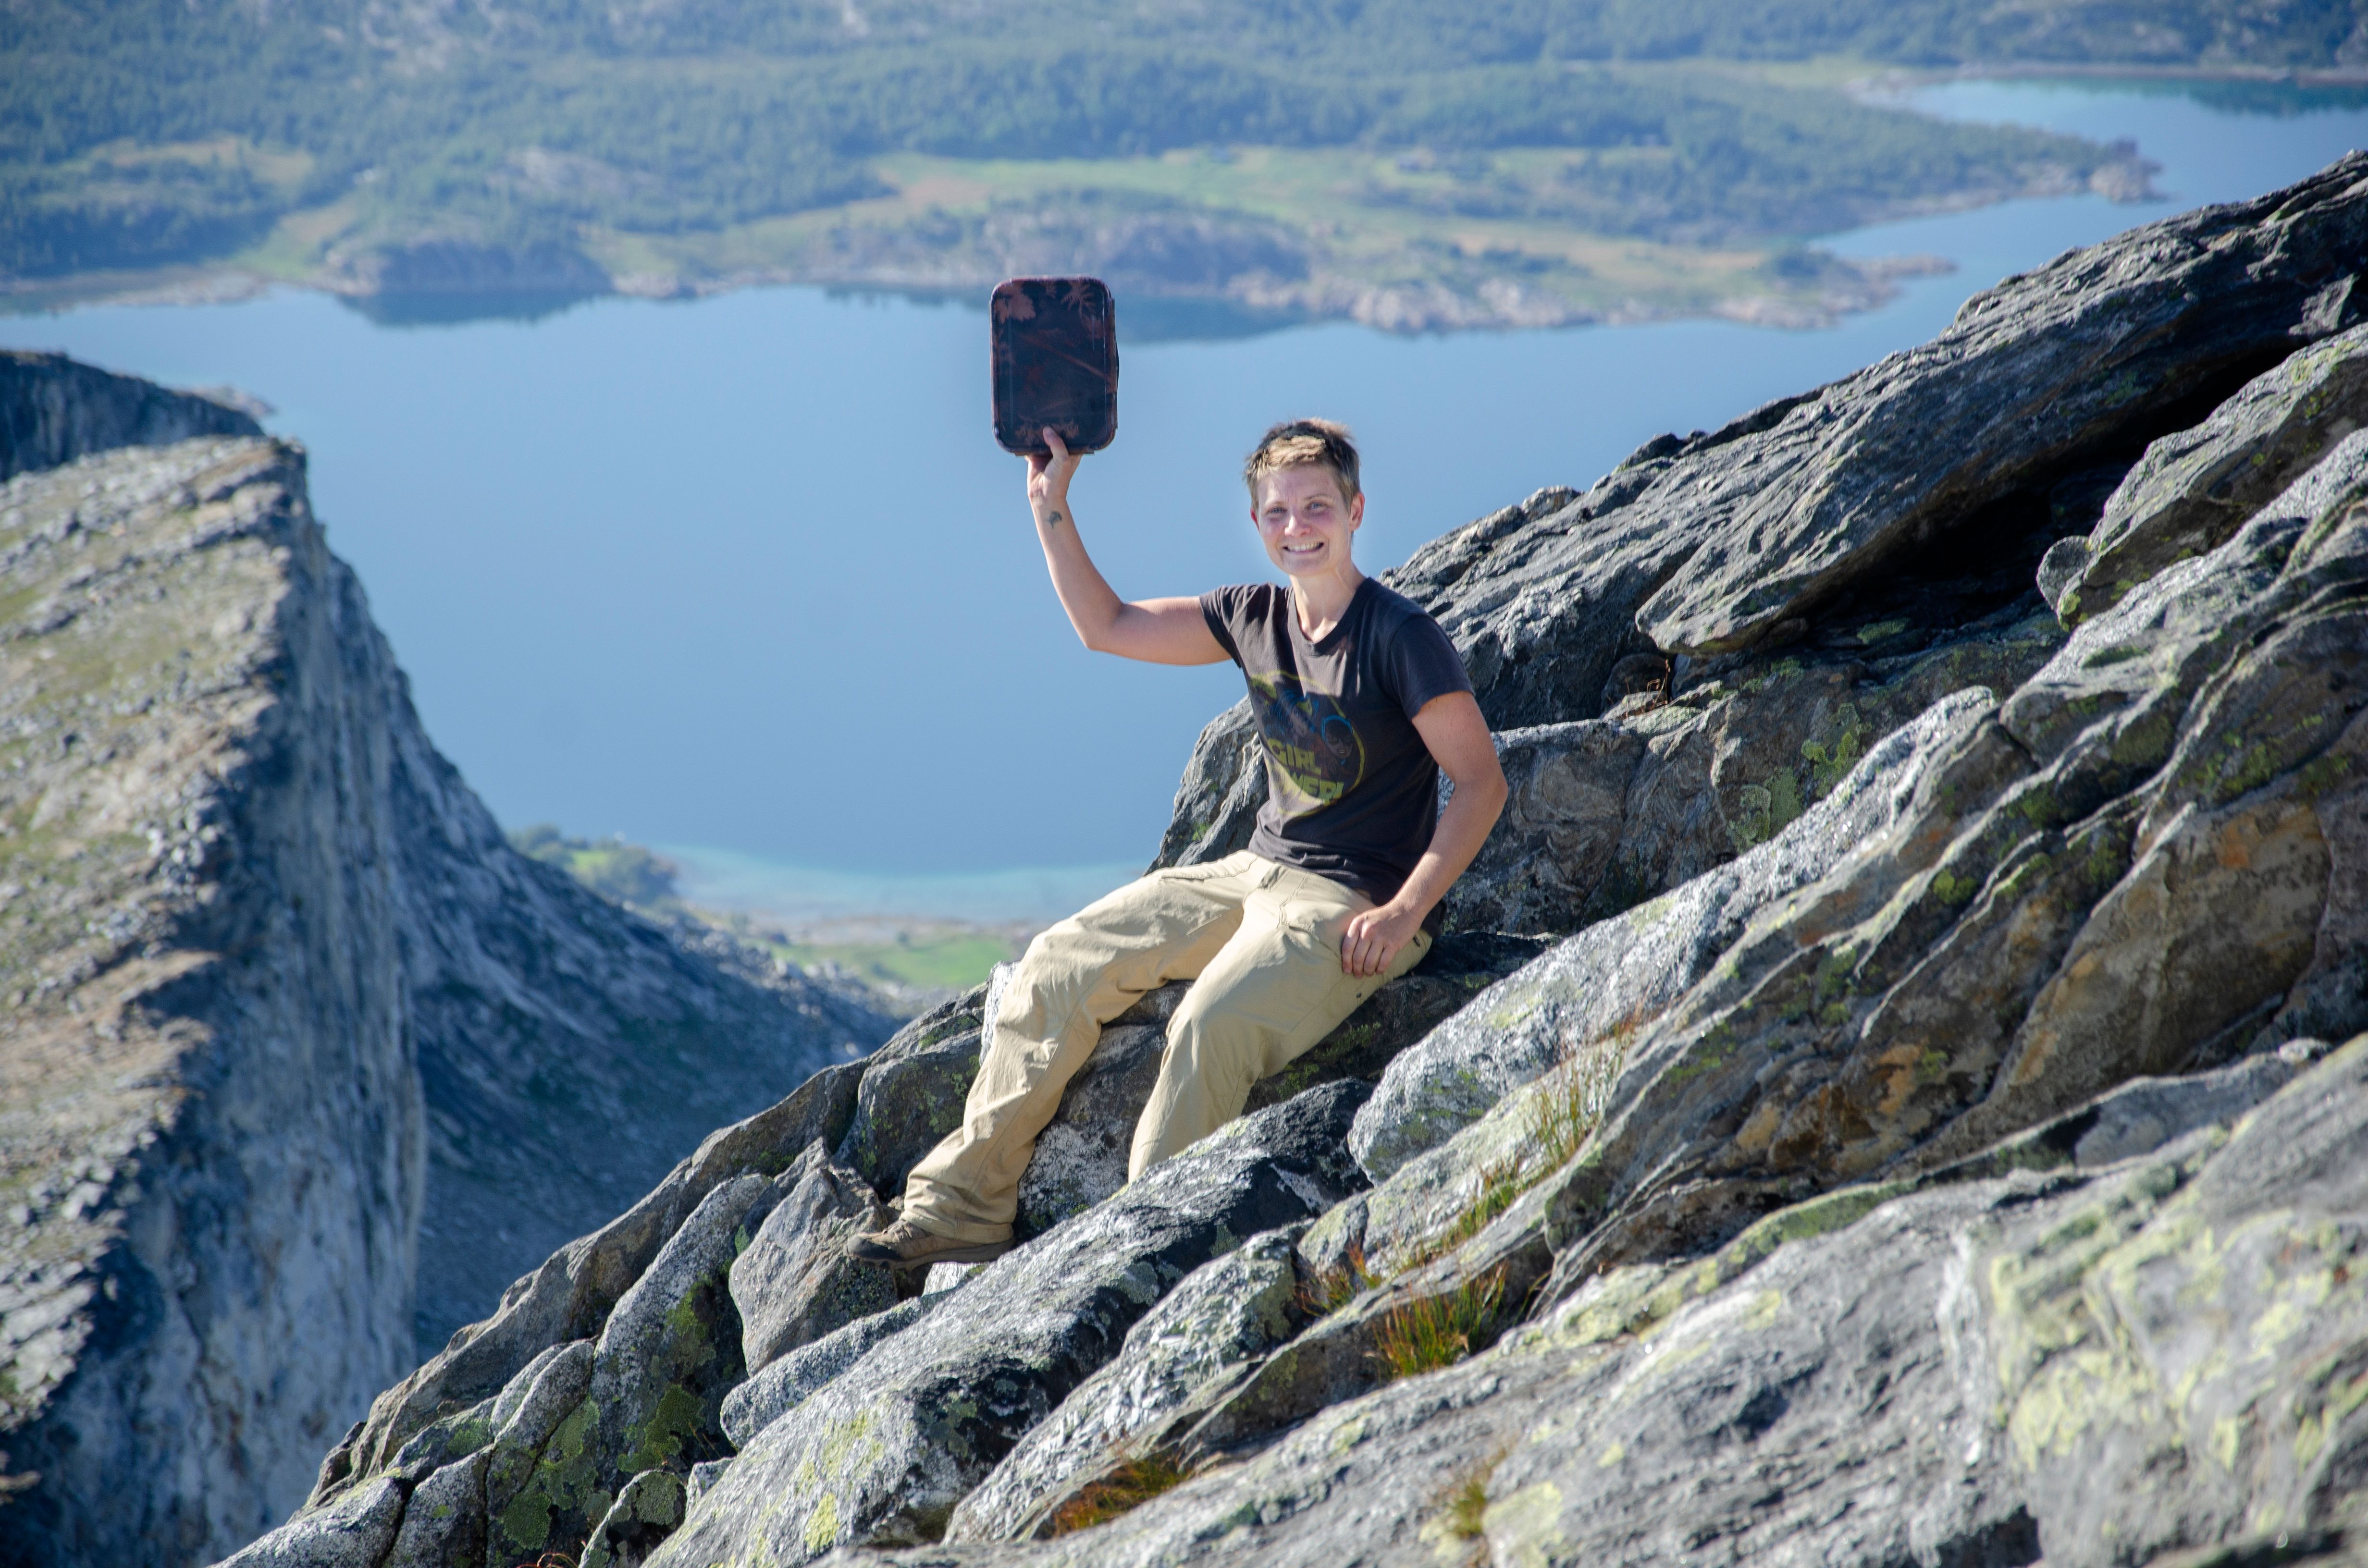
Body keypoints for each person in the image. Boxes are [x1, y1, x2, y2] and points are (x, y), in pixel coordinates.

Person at [848, 418, 1508, 1268]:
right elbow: (1109, 624)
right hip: (1256, 871)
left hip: (1354, 900)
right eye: (1277, 513)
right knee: (1059, 959)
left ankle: (1142, 1253)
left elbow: (1483, 782)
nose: (1297, 527)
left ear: (1355, 510)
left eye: (1316, 507)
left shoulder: (1400, 638)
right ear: (1258, 523)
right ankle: (962, 1208)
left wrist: (1404, 910)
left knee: (1208, 1024)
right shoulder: (1254, 616)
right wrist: (1052, 506)